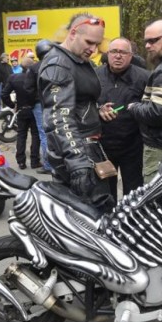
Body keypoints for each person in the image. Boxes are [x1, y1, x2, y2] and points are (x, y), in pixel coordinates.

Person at [37, 13, 114, 212]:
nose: (94, 49)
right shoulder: (58, 65)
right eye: (89, 42)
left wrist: (97, 110)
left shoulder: (78, 60)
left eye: (97, 44)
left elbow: (77, 104)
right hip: (77, 153)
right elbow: (58, 118)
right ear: (73, 33)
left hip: (88, 149)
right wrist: (78, 162)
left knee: (102, 216)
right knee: (90, 222)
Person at [102, 19, 162, 183]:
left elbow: (158, 113)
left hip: (156, 145)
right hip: (108, 146)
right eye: (146, 41)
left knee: (150, 198)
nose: (147, 46)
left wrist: (134, 106)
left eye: (153, 40)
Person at [96, 37, 149, 201]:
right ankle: (107, 224)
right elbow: (82, 104)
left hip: (133, 146)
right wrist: (98, 109)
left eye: (123, 52)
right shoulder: (95, 75)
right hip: (103, 146)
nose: (118, 56)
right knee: (105, 194)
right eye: (114, 52)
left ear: (131, 55)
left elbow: (153, 109)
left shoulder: (145, 77)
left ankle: (131, 225)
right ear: (108, 54)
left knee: (133, 195)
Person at [1, 56, 41, 170]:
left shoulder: (14, 78)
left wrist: (13, 105)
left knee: (21, 135)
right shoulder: (37, 78)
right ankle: (34, 161)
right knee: (35, 135)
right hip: (34, 109)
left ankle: (21, 162)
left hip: (21, 109)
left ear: (21, 66)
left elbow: (4, 94)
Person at [24, 42, 52, 175]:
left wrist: (32, 102)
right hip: (57, 103)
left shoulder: (34, 68)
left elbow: (28, 88)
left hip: (39, 104)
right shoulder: (57, 66)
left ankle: (48, 165)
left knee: (44, 134)